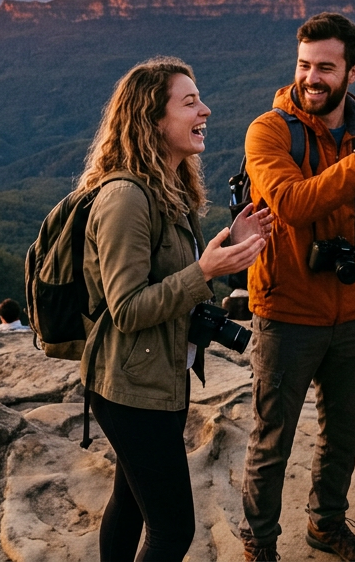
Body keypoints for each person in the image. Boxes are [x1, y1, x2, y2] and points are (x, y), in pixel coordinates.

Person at [79, 56, 270, 561]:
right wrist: (205, 273)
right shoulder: (125, 198)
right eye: (189, 102)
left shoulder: (168, 187)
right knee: (173, 531)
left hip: (158, 380)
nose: (205, 109)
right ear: (152, 120)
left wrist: (230, 245)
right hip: (130, 391)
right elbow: (127, 308)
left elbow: (173, 273)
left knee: (130, 501)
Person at [239, 12, 355, 562]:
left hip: (353, 316)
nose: (312, 78)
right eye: (304, 65)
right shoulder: (270, 130)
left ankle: (325, 526)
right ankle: (260, 543)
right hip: (287, 313)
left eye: (326, 68)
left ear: (352, 71)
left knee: (343, 436)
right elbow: (291, 203)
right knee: (272, 441)